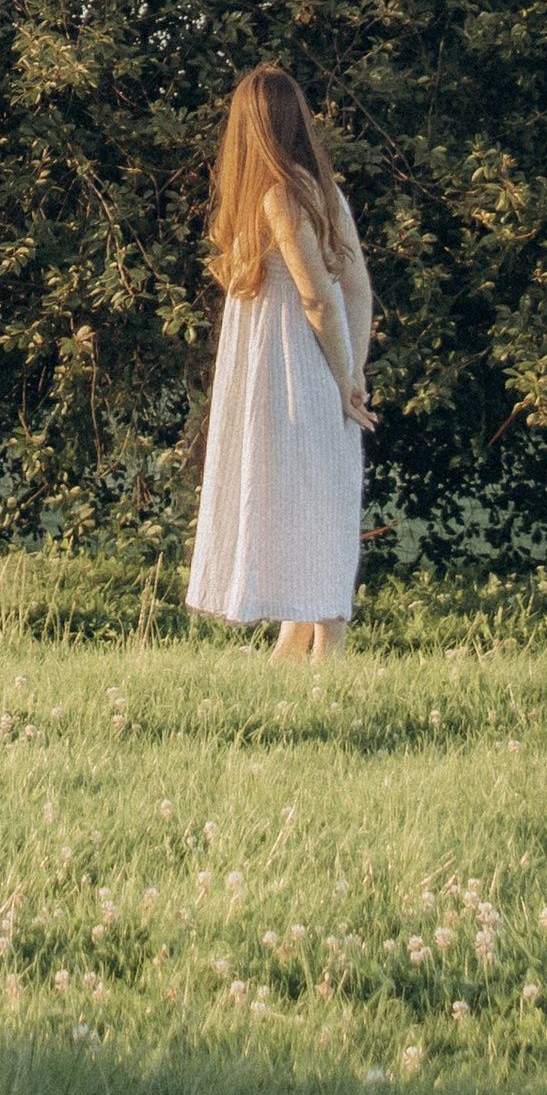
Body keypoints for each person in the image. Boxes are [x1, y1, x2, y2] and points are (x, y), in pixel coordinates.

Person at [184, 61, 373, 660]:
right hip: (320, 370)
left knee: (308, 513)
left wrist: (345, 378)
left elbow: (318, 295)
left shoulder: (273, 198)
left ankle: (330, 665)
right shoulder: (320, 193)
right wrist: (355, 372)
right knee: (317, 510)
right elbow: (358, 289)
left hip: (293, 377)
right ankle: (296, 663)